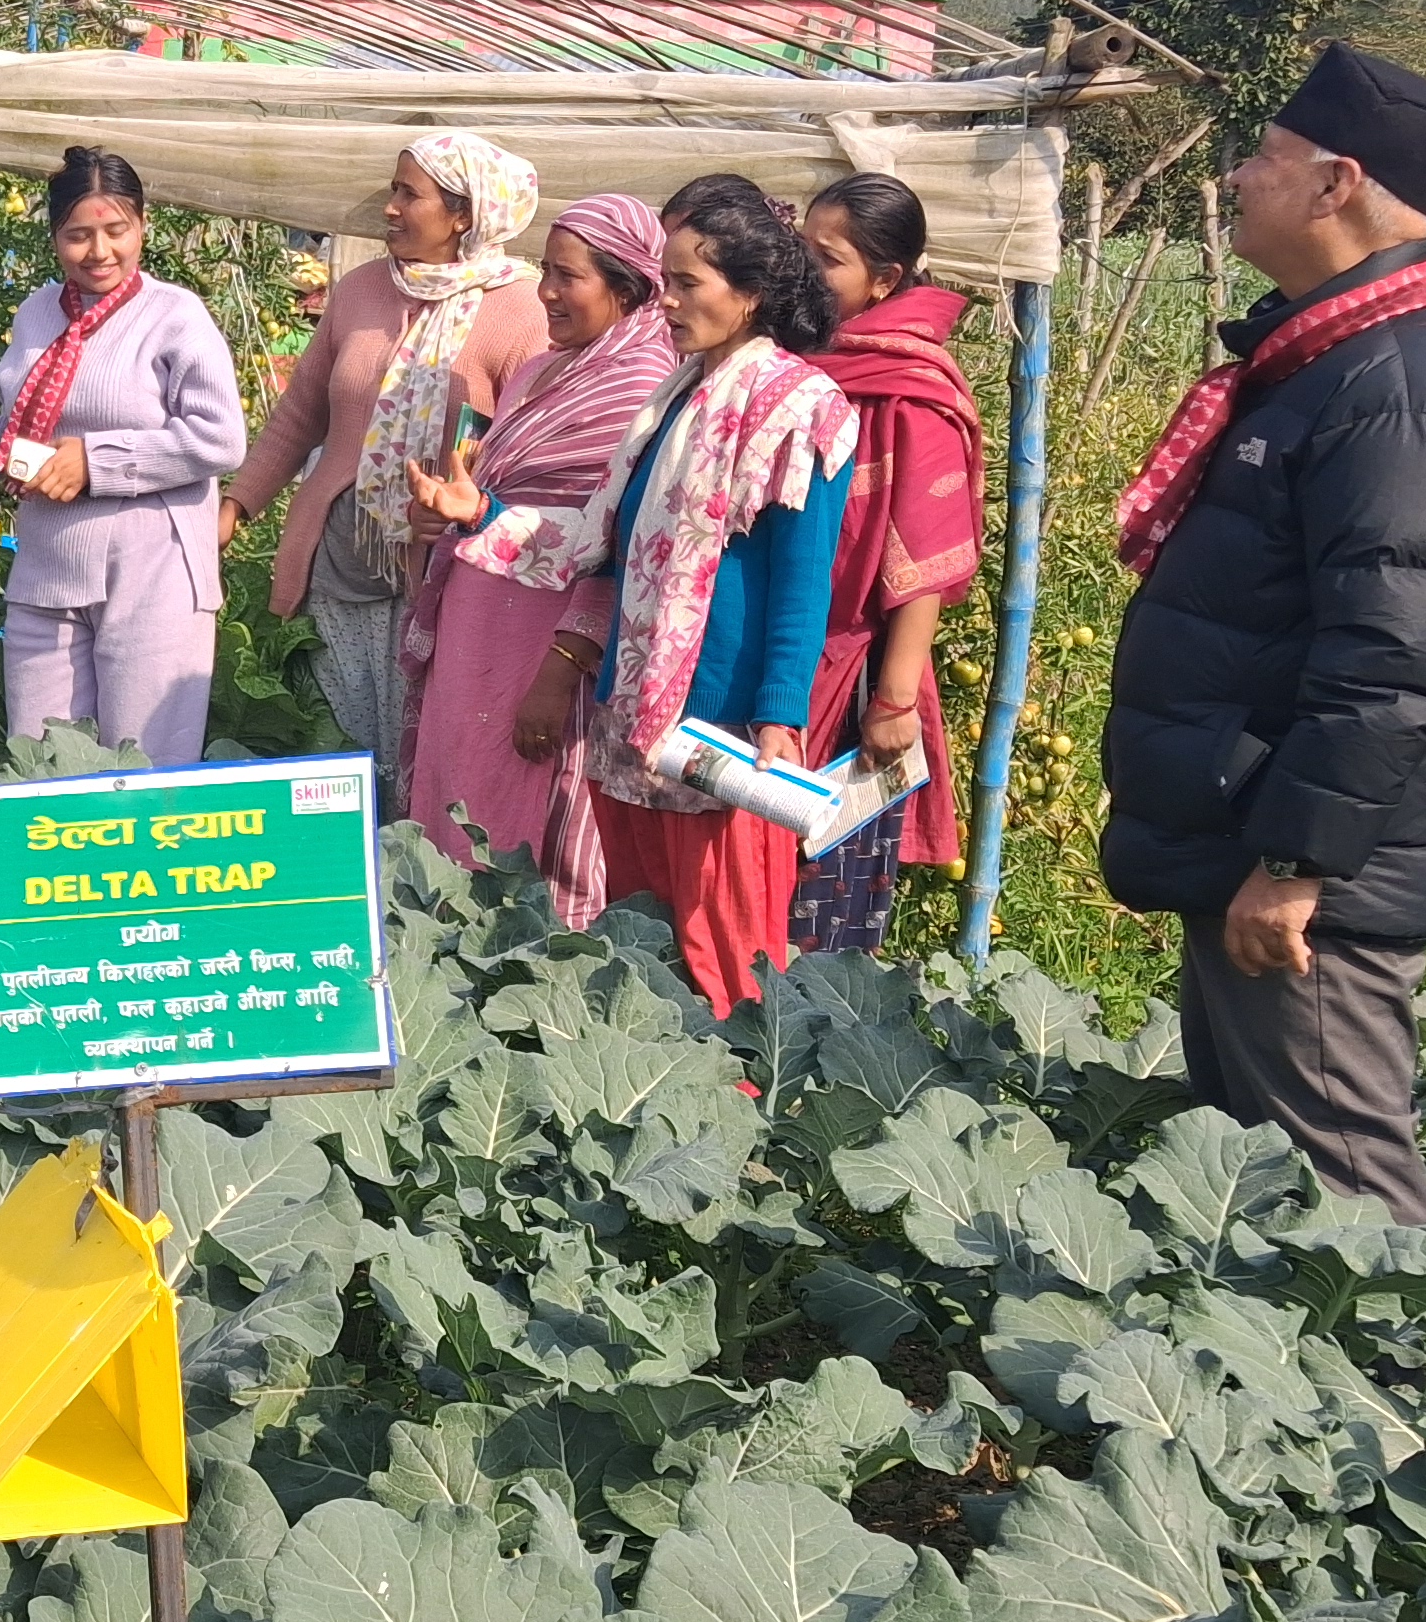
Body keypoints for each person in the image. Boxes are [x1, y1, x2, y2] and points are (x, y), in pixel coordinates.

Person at [1101, 42, 1426, 1222]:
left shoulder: (1402, 391)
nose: (1238, 176)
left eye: (1267, 158)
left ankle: (1401, 1402)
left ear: (1337, 185)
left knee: (1348, 1213)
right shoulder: (1325, 362)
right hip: (1256, 834)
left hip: (1306, 874)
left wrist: (1296, 866)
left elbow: (1391, 666)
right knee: (1260, 1187)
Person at [549, 186, 853, 1016]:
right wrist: (483, 516)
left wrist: (779, 719)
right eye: (666, 282)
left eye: (687, 285)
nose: (667, 303)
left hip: (720, 731)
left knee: (728, 960)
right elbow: (611, 539)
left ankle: (754, 1124)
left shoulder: (802, 406)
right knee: (640, 947)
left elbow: (802, 577)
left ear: (749, 294)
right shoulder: (674, 396)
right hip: (636, 712)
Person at [223, 132, 550, 770]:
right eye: (393, 190)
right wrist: (237, 506)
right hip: (339, 563)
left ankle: (421, 869)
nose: (391, 208)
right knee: (340, 750)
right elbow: (299, 414)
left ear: (464, 214)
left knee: (429, 745)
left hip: (444, 568)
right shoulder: (361, 290)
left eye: (410, 194)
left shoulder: (521, 311)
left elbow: (529, 452)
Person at [393, 193, 681, 911]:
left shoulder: (642, 392)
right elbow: (495, 500)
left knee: (522, 829)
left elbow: (616, 549)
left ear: (627, 286)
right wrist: (447, 520)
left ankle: (532, 984)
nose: (546, 293)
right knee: (454, 800)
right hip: (476, 632)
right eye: (544, 271)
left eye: (568, 277)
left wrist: (561, 670)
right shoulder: (538, 371)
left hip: (541, 646)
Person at [0, 146, 248, 768]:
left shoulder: (175, 315)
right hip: (48, 561)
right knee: (43, 762)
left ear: (142, 226)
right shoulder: (37, 313)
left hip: (154, 566)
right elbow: (27, 417)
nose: (99, 252)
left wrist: (97, 463)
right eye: (78, 235)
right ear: (54, 238)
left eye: (115, 230)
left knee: (147, 766)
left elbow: (220, 438)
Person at [784, 174, 984, 955]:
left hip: (857, 679)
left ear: (886, 280)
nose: (806, 274)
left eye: (825, 260)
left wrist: (895, 699)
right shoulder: (802, 359)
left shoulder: (910, 390)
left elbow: (925, 559)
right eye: (801, 252)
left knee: (821, 902)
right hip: (788, 656)